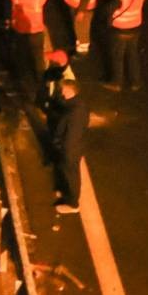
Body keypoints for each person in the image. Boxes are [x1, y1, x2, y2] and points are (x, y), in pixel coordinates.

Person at [48, 74, 91, 215]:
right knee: (66, 173)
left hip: (69, 150)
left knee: (71, 176)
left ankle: (73, 204)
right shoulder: (77, 104)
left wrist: (62, 148)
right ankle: (66, 193)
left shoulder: (75, 112)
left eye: (64, 90)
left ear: (71, 91)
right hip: (70, 148)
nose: (62, 92)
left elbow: (71, 135)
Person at [103, 0, 145, 90]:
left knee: (118, 57)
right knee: (133, 55)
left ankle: (116, 82)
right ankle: (135, 82)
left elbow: (109, 10)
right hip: (136, 27)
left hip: (120, 29)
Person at [8, 0, 50, 80]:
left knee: (21, 54)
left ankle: (20, 76)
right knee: (38, 56)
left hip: (19, 28)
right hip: (35, 29)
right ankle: (40, 78)